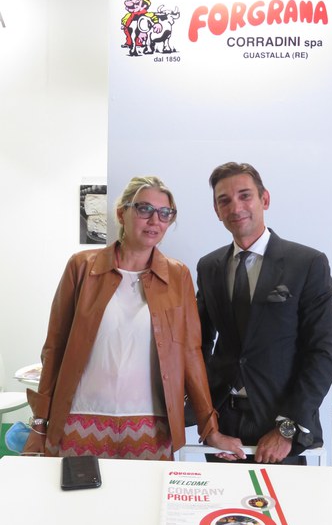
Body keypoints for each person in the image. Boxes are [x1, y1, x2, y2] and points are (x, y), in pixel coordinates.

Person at [23, 175, 245, 461]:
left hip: (151, 428)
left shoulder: (178, 275)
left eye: (165, 213)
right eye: (144, 209)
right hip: (78, 419)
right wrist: (40, 422)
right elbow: (55, 348)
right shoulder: (82, 267)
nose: (155, 220)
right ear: (121, 214)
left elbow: (191, 353)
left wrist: (209, 428)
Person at [196, 162, 332, 464]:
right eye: (224, 200)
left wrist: (287, 429)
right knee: (221, 496)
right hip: (224, 427)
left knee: (283, 497)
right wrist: (207, 421)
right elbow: (198, 345)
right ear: (216, 210)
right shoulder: (209, 267)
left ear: (265, 199)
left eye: (245, 196)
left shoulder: (307, 263)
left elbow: (322, 352)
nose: (236, 207)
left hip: (280, 425)